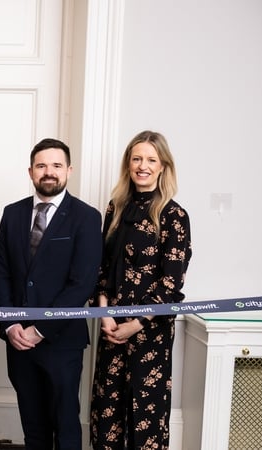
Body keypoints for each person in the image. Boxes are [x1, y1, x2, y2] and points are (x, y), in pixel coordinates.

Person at [0, 138, 102, 450]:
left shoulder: (86, 217)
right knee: (33, 426)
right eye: (41, 165)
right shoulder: (12, 214)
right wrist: (10, 325)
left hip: (61, 341)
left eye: (56, 165)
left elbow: (82, 283)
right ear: (30, 171)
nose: (49, 172)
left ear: (69, 170)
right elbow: (0, 273)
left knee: (65, 424)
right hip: (18, 341)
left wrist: (41, 330)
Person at [89, 130, 192, 450]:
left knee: (145, 411)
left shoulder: (174, 216)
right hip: (111, 329)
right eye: (136, 159)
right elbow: (102, 268)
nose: (142, 166)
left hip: (150, 332)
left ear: (163, 166)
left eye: (150, 159)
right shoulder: (115, 209)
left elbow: (172, 284)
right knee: (108, 411)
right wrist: (105, 315)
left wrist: (134, 324)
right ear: (128, 164)